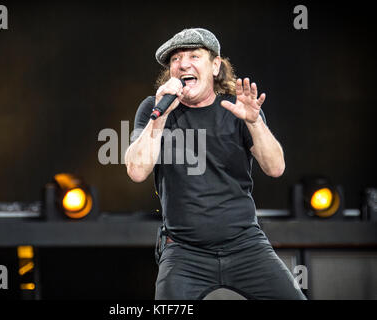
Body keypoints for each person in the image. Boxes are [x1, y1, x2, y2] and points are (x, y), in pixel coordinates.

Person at [124, 28, 306, 300]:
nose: (183, 63)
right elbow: (137, 171)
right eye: (176, 59)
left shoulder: (237, 109)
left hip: (246, 245)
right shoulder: (155, 109)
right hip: (184, 253)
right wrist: (159, 117)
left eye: (194, 56)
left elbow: (275, 167)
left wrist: (254, 122)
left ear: (215, 66)